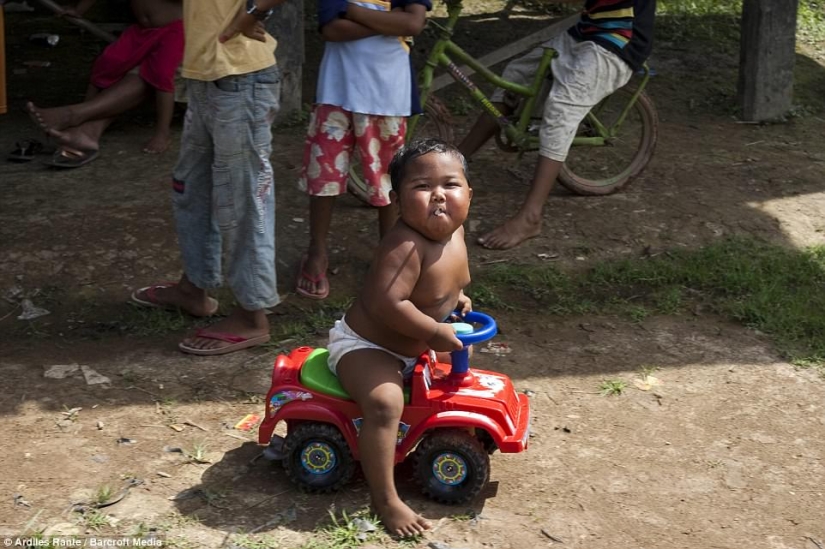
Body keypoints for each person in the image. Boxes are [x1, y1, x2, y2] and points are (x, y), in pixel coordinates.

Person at [326, 138, 473, 536]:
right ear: (396, 199)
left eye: (451, 185)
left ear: (469, 194)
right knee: (385, 403)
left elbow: (443, 284)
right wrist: (434, 330)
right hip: (367, 346)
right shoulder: (405, 244)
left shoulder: (453, 235)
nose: (439, 196)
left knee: (462, 376)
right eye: (422, 187)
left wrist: (455, 298)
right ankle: (386, 499)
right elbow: (386, 303)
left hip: (415, 346)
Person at [129, 0, 284, 355]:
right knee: (192, 187)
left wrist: (255, 12)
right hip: (207, 76)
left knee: (242, 197)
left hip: (240, 77)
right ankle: (194, 288)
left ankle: (252, 316)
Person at [458, 0, 655, 249]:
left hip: (620, 39)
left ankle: (531, 216)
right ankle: (456, 161)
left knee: (561, 107)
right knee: (516, 75)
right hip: (587, 30)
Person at [295, 0, 431, 300]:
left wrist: (352, 10)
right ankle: (316, 251)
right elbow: (332, 29)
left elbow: (412, 24)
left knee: (387, 180)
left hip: (387, 93)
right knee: (323, 177)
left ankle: (389, 252)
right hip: (336, 91)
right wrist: (387, 20)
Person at [25, 0, 184, 167]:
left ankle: (162, 132)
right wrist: (79, 10)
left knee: (161, 74)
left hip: (175, 30)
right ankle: (81, 124)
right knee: (108, 62)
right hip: (143, 31)